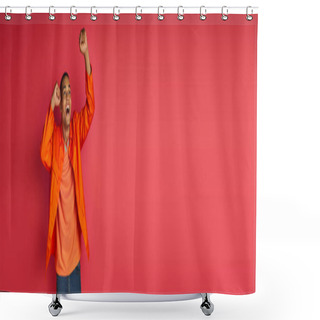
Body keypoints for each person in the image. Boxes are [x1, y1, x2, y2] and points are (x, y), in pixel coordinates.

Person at [40, 28, 94, 295]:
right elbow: (44, 156)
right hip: (59, 210)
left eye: (71, 89)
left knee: (75, 257)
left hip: (75, 209)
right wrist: (51, 108)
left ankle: (76, 301)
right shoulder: (56, 131)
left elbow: (92, 106)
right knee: (62, 256)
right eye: (65, 90)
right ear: (61, 101)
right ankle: (64, 299)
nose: (69, 93)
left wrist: (85, 56)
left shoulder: (79, 128)